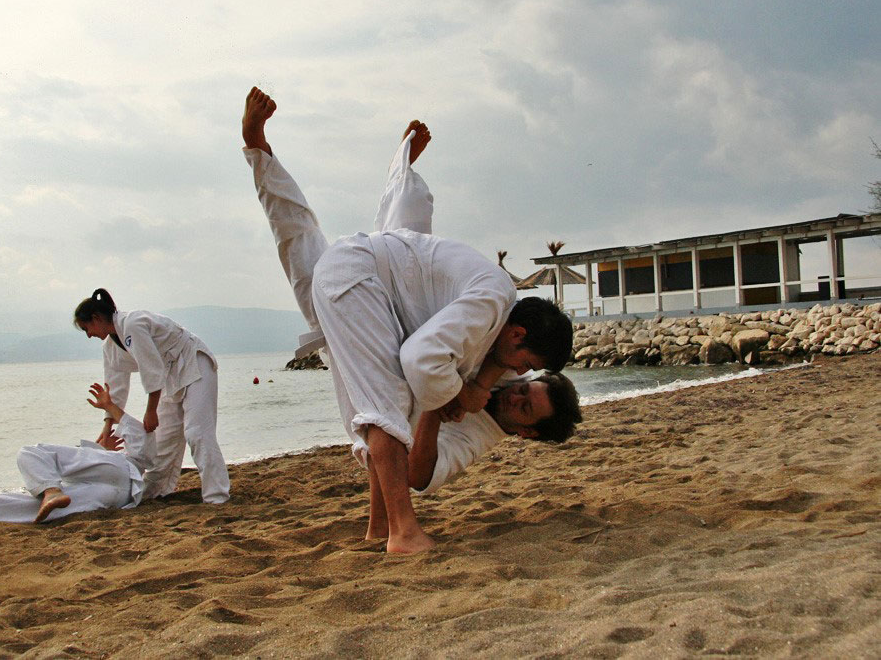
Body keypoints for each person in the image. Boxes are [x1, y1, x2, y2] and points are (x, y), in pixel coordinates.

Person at [241, 87, 579, 553]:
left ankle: (258, 151)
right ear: (518, 334)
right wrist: (459, 394)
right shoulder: (492, 301)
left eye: (523, 389)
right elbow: (420, 359)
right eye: (525, 372)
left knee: (297, 234)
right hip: (358, 279)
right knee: (389, 401)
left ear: (525, 433)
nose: (517, 380)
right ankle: (403, 532)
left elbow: (404, 226)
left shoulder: (485, 328)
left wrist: (401, 166)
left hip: (357, 280)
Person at [0, 382, 155, 533]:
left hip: (119, 468)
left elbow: (139, 438)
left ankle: (51, 490)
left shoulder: (122, 459)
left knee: (32, 452)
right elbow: (142, 442)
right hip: (121, 496)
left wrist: (110, 410)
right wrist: (102, 448)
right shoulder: (131, 461)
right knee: (41, 508)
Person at [74, 289, 229, 504]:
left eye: (86, 328)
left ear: (96, 318)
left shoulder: (133, 324)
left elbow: (151, 369)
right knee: (162, 442)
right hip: (168, 378)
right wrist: (106, 430)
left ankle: (216, 496)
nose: (88, 335)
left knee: (197, 433)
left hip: (193, 363)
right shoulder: (109, 347)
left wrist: (150, 410)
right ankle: (155, 492)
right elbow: (114, 390)